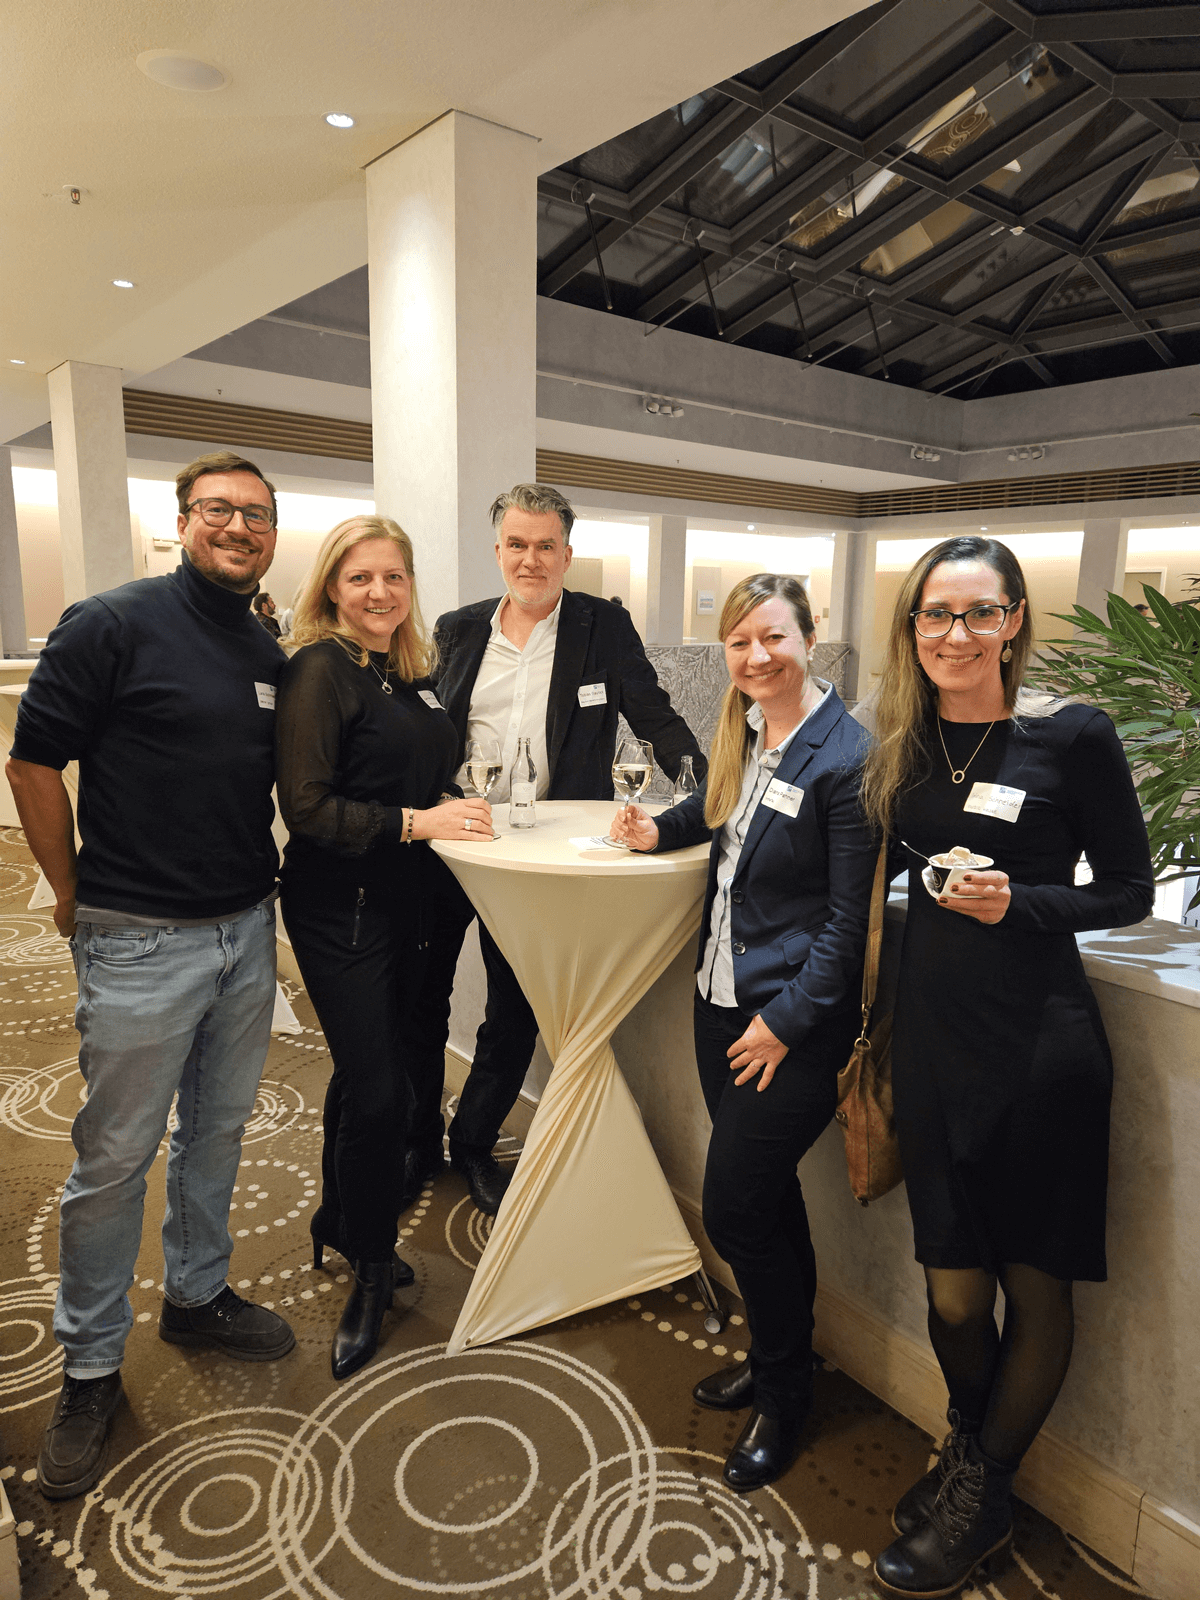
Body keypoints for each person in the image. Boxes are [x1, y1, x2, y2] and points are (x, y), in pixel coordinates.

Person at [859, 536, 1153, 1595]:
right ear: (913, 628)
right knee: (952, 1292)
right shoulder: (903, 746)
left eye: (979, 612)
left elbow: (1127, 889)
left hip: (1040, 1050)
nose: (957, 634)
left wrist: (1019, 902)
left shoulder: (1070, 736)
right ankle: (970, 1447)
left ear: (1015, 619)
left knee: (1033, 1286)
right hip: (935, 1048)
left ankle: (982, 1488)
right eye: (936, 614)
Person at [5, 449, 296, 1502]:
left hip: (245, 933)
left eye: (256, 515)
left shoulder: (263, 643)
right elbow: (32, 762)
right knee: (115, 1159)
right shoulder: (111, 622)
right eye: (219, 509)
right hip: (138, 939)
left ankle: (197, 1294)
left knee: (217, 1131)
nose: (238, 527)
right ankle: (88, 1367)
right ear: (181, 520)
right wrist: (69, 890)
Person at [611, 573, 875, 1491]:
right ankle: (777, 1364)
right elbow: (721, 813)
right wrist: (661, 830)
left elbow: (848, 926)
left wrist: (784, 1024)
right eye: (739, 642)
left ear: (810, 638)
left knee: (731, 1208)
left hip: (788, 1025)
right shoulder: (747, 729)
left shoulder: (846, 756)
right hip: (718, 1003)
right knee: (765, 1202)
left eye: (773, 637)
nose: (757, 657)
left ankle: (786, 1394)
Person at [410, 482, 705, 1215]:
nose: (531, 560)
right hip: (454, 836)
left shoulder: (603, 626)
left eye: (546, 546)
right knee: (420, 996)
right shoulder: (457, 628)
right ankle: (414, 1140)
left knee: (515, 1007)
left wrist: (711, 790)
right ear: (498, 549)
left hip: (542, 853)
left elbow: (656, 717)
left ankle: (473, 1141)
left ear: (567, 554)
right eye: (518, 544)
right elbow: (423, 726)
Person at [275, 515, 493, 1380]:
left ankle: (339, 1215)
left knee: (378, 1074)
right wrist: (419, 821)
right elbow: (308, 808)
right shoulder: (319, 669)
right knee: (378, 1093)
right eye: (360, 577)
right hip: (343, 911)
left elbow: (419, 770)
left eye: (393, 577)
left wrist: (457, 802)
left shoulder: (409, 673)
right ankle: (370, 1265)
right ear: (332, 585)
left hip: (414, 907)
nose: (378, 592)